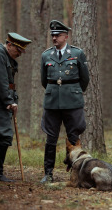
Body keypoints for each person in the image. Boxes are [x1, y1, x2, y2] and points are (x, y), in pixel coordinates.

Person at [40, 20, 90, 183]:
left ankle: (77, 172)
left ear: (66, 36)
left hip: (72, 101)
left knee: (73, 137)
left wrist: (71, 91)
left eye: (58, 35)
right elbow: (44, 81)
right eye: (52, 35)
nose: (54, 38)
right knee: (51, 139)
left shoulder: (77, 54)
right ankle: (48, 173)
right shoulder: (46, 55)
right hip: (52, 102)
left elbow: (84, 79)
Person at [0, 32, 31, 182]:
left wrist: (11, 99)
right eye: (18, 50)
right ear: (9, 45)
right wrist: (9, 101)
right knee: (5, 135)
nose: (19, 54)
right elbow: (1, 81)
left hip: (0, 102)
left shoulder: (5, 55)